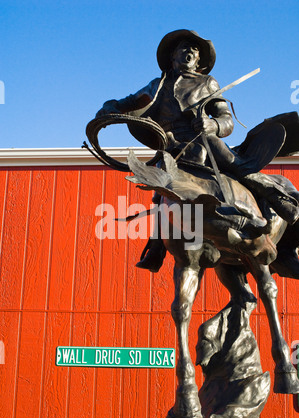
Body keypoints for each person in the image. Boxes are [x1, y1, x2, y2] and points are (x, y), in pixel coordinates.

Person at [96, 29, 299, 272]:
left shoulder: (207, 83)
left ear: (199, 61)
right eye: (185, 47)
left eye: (195, 50)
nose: (191, 51)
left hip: (205, 145)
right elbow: (125, 103)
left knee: (236, 165)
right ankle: (157, 245)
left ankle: (277, 196)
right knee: (161, 193)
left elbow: (226, 120)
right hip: (172, 149)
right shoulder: (156, 86)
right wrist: (108, 108)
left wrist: (212, 124)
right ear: (173, 55)